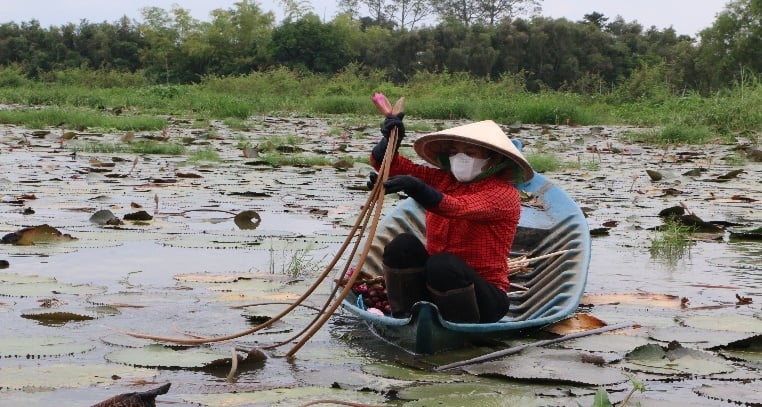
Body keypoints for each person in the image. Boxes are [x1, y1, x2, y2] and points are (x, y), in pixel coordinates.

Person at [369, 115, 534, 323]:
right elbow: (389, 166)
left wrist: (416, 187)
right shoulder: (444, 180)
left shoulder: (503, 194)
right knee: (402, 246)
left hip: (484, 298)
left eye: (471, 153)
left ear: (494, 159)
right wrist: (390, 140)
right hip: (434, 286)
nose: (460, 158)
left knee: (443, 264)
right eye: (454, 153)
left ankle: (458, 326)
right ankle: (406, 317)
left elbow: (455, 207)